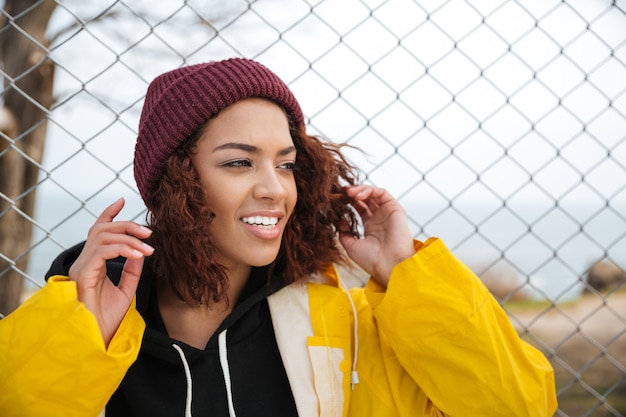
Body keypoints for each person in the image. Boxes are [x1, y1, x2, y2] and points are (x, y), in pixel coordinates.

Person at [0, 58, 557, 417]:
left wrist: (409, 277)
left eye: (286, 165)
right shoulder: (86, 312)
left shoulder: (352, 319)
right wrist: (76, 336)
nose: (275, 190)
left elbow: (520, 407)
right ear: (177, 178)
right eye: (240, 162)